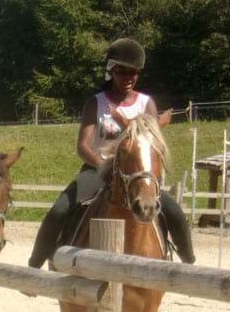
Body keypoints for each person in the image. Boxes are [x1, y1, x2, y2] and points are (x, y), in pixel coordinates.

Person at [28, 38, 195, 268]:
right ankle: (35, 264)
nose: (127, 78)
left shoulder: (146, 104)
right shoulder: (95, 103)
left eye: (132, 73)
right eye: (121, 72)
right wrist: (102, 166)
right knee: (59, 210)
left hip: (136, 172)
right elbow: (83, 146)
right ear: (111, 72)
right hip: (98, 169)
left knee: (174, 211)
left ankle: (188, 264)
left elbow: (154, 144)